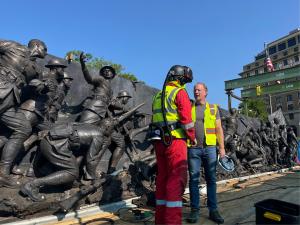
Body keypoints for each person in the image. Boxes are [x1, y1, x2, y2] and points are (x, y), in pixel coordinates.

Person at [151, 65, 196, 225]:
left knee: (163, 178)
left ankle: (160, 221)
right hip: (175, 140)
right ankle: (172, 222)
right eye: (185, 80)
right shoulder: (179, 92)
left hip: (159, 141)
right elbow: (187, 121)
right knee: (176, 179)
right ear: (181, 78)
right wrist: (192, 138)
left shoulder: (158, 95)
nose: (185, 84)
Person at [187, 82, 225, 224]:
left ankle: (213, 210)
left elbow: (219, 129)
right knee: (194, 180)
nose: (196, 92)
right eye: (195, 90)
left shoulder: (214, 108)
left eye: (199, 90)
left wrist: (221, 148)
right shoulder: (189, 108)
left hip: (209, 148)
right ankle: (194, 210)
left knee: (211, 179)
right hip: (193, 148)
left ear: (206, 92)